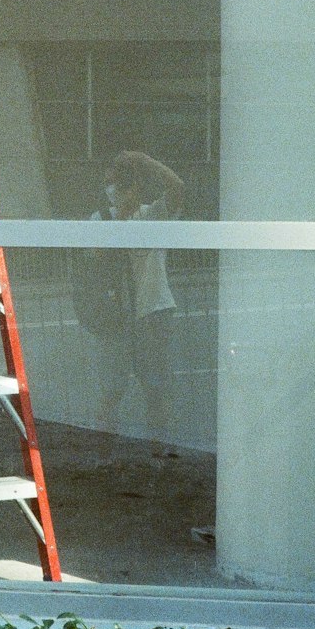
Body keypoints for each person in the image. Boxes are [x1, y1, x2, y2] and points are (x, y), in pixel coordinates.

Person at [95, 149, 184, 440]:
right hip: (118, 316)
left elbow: (177, 189)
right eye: (112, 183)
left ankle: (159, 445)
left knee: (156, 388)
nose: (117, 190)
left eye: (124, 183)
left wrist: (147, 162)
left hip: (154, 311)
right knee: (113, 386)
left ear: (136, 186)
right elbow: (94, 262)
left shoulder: (152, 215)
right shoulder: (100, 221)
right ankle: (104, 446)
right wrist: (118, 219)